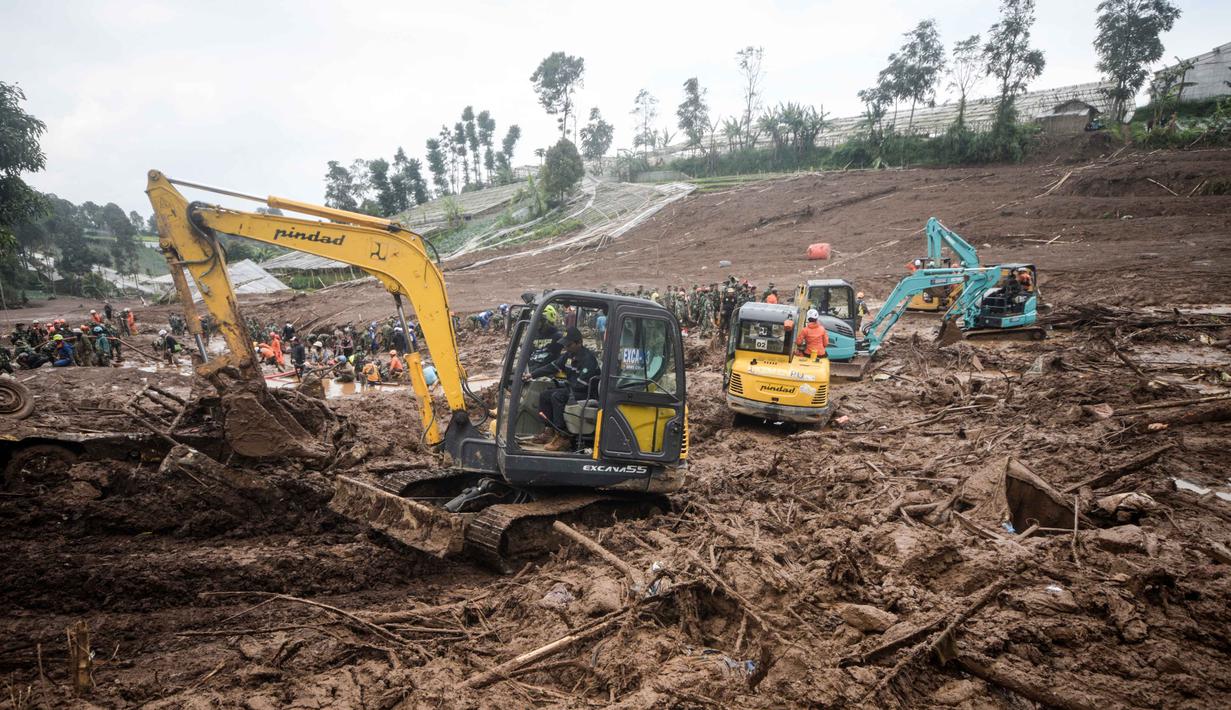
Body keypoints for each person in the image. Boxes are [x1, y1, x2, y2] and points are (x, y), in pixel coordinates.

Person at [531, 327, 600, 452]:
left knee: (558, 396)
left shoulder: (588, 359)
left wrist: (565, 388)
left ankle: (563, 436)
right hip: (573, 389)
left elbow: (582, 384)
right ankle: (549, 430)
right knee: (545, 395)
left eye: (569, 345)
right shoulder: (568, 355)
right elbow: (553, 366)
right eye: (565, 345)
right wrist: (532, 374)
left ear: (579, 342)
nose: (566, 348)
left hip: (586, 392)